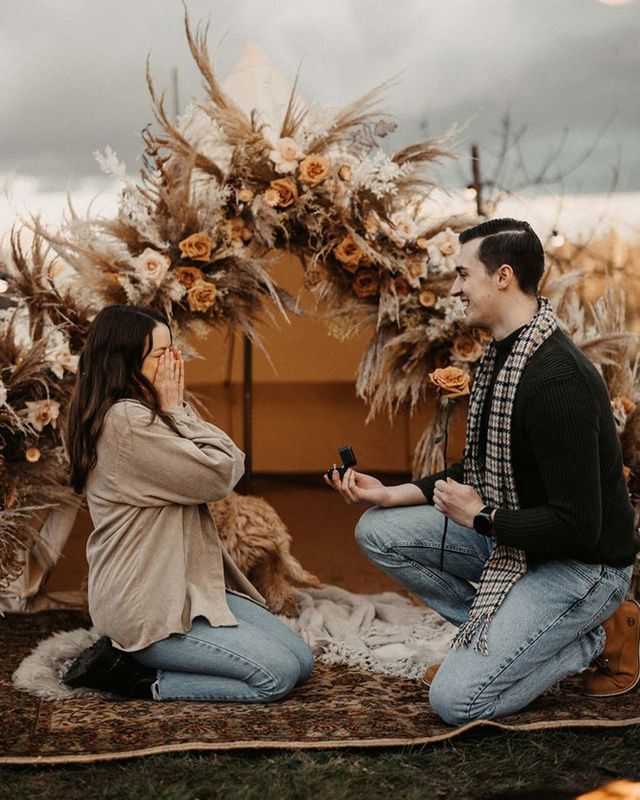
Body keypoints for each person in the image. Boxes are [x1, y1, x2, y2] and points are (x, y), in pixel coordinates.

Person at [326, 218, 640, 725]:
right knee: (378, 531)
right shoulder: (503, 358)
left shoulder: (557, 381)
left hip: (583, 567)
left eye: (462, 274)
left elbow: (581, 526)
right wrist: (392, 494)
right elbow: (479, 469)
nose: (453, 288)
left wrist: (485, 518)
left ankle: (594, 639)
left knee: (456, 702)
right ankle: (497, 650)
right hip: (519, 540)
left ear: (502, 276)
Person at [63, 304, 313, 702]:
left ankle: (155, 659)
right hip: (148, 607)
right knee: (276, 675)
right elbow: (221, 474)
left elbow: (223, 465)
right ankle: (136, 678)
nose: (173, 363)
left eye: (172, 350)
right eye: (160, 355)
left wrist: (172, 410)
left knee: (301, 660)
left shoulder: (146, 412)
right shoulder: (126, 422)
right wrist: (178, 409)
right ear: (125, 363)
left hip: (185, 589)